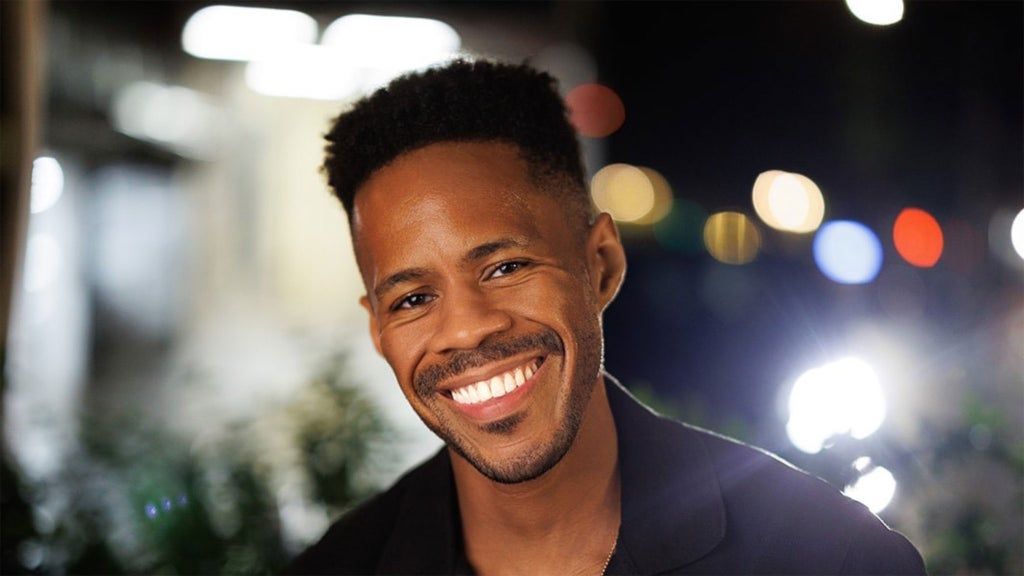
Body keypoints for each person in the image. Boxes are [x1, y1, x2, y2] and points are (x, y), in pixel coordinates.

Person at [287, 59, 925, 575]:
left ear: (601, 264)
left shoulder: (828, 558)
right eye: (412, 299)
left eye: (506, 267)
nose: (466, 328)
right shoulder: (338, 568)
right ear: (378, 330)